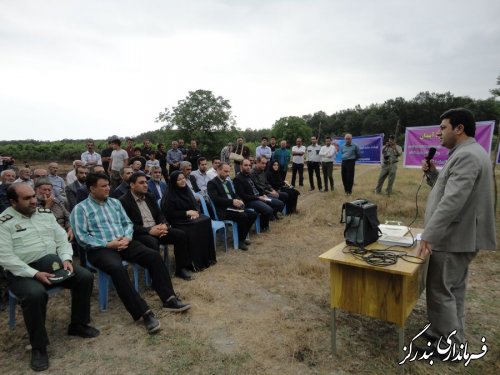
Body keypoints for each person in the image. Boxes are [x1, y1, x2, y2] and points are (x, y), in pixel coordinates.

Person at [71, 173, 190, 335]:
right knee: (118, 268)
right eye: (103, 186)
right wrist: (108, 244)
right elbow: (81, 237)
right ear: (91, 188)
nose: (108, 188)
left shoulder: (114, 203)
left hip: (124, 242)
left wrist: (127, 238)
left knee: (153, 256)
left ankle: (169, 299)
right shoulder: (81, 209)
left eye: (108, 185)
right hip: (101, 249)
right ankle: (144, 313)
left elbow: (127, 223)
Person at [418, 108, 496, 352]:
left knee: (440, 289)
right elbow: (448, 189)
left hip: (454, 237)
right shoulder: (468, 152)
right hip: (460, 236)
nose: (439, 133)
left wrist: (429, 235)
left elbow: (452, 202)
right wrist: (432, 174)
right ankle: (443, 331)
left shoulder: (467, 156)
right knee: (453, 289)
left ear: (459, 128)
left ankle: (450, 346)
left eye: (443, 127)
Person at [0, 183, 98, 371]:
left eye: (33, 196)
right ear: (13, 202)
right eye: (27, 198)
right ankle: (39, 347)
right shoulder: (4, 222)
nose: (34, 201)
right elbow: (6, 257)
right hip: (22, 272)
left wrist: (67, 258)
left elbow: (61, 238)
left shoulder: (45, 215)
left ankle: (78, 324)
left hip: (53, 264)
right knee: (35, 294)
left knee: (84, 276)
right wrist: (34, 273)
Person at [120, 172, 193, 280]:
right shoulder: (124, 201)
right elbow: (128, 225)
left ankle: (180, 269)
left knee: (180, 235)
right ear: (132, 185)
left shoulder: (150, 196)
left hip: (158, 228)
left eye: (146, 182)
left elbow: (159, 214)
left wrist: (164, 225)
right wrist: (149, 230)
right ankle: (157, 277)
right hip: (141, 233)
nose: (145, 185)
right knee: (152, 242)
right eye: (141, 183)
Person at [161, 171, 216, 269]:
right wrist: (186, 213)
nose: (182, 181)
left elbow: (195, 204)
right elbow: (169, 213)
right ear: (174, 182)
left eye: (183, 178)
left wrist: (195, 212)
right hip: (177, 221)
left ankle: (205, 258)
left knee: (206, 220)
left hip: (190, 217)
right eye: (179, 179)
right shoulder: (170, 195)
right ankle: (193, 261)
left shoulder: (187, 190)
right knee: (194, 227)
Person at [207, 163, 257, 251]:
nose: (227, 174)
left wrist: (239, 200)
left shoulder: (228, 182)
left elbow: (234, 195)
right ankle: (240, 240)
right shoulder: (212, 183)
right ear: (218, 170)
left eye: (228, 171)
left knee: (253, 214)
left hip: (233, 207)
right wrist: (232, 201)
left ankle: (242, 236)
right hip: (223, 210)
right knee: (243, 216)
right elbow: (216, 200)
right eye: (225, 171)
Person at [234, 159, 284, 232]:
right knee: (268, 210)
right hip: (250, 201)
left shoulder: (249, 176)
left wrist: (263, 195)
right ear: (241, 166)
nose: (248, 167)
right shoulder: (238, 179)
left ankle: (264, 218)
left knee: (280, 204)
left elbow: (257, 187)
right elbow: (242, 195)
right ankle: (263, 226)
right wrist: (258, 197)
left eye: (249, 165)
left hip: (259, 197)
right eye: (246, 165)